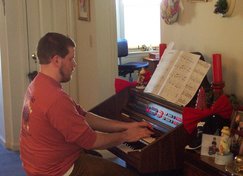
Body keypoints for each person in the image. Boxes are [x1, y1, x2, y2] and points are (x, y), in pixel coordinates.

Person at [19, 32, 154, 176]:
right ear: (57, 60)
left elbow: (83, 115)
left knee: (96, 158)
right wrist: (126, 136)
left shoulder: (38, 84)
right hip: (56, 170)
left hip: (38, 164)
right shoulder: (55, 98)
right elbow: (92, 141)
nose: (74, 64)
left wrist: (126, 126)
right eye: (71, 59)